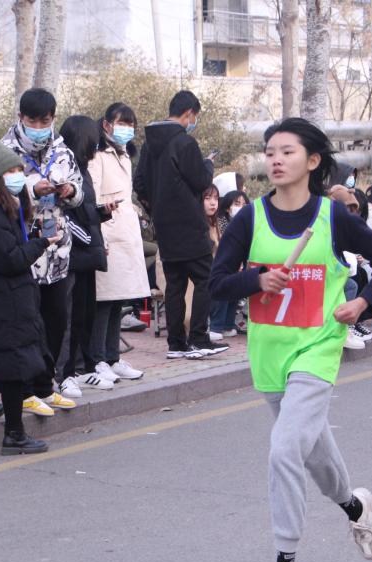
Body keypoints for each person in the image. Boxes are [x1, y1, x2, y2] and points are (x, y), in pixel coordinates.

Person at [209, 117, 372, 562]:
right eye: (270, 151)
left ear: (312, 161)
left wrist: (363, 303)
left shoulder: (333, 217)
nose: (276, 159)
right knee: (311, 450)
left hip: (318, 348)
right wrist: (256, 280)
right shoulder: (249, 218)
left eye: (287, 151)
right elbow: (217, 284)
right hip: (269, 354)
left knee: (284, 449)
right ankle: (354, 506)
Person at [0, 142, 64, 455]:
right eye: (11, 171)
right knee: (15, 365)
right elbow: (10, 260)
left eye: (20, 169)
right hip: (3, 301)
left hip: (14, 298)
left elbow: (12, 252)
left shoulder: (3, 210)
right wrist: (41, 244)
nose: (18, 176)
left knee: (20, 362)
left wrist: (34, 240)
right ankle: (14, 435)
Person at [0, 88, 81, 407]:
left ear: (53, 119)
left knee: (56, 319)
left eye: (44, 121)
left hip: (56, 250)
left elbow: (80, 193)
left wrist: (69, 190)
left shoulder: (62, 150)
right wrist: (33, 189)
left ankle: (46, 382)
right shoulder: (5, 150)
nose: (38, 127)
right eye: (32, 121)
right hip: (21, 248)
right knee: (26, 321)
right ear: (21, 117)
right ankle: (24, 388)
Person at [135, 90, 227, 359]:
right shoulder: (184, 143)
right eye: (194, 117)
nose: (193, 122)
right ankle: (199, 338)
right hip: (189, 224)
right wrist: (207, 165)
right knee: (206, 278)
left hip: (164, 227)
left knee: (174, 285)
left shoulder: (149, 145)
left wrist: (156, 208)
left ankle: (176, 344)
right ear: (189, 113)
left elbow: (139, 184)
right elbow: (201, 181)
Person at [80, 102, 149, 388]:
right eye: (121, 123)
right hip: (107, 232)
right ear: (106, 124)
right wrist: (101, 235)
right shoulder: (98, 155)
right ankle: (97, 359)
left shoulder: (124, 155)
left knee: (119, 299)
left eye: (130, 124)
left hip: (126, 235)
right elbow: (93, 196)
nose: (126, 129)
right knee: (104, 301)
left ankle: (112, 357)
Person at [57, 114, 120, 395]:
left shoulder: (82, 170)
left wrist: (101, 213)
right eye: (93, 143)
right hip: (72, 254)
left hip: (86, 253)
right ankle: (64, 372)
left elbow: (84, 211)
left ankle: (81, 368)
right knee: (68, 317)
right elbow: (66, 217)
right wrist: (89, 238)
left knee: (83, 315)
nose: (96, 148)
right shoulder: (64, 169)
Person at [210, 188, 249, 340]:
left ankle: (228, 324)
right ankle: (216, 326)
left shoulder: (244, 223)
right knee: (225, 285)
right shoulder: (220, 222)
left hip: (236, 265)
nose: (241, 207)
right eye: (237, 203)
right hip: (218, 264)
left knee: (235, 289)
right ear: (227, 207)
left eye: (244, 204)